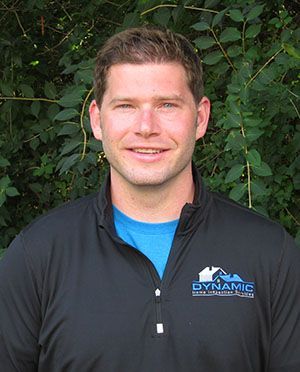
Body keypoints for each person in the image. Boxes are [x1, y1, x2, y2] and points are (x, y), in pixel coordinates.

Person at [0, 26, 299, 372]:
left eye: (167, 105)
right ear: (97, 120)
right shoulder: (37, 256)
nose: (146, 127)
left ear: (200, 118)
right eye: (126, 105)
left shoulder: (270, 254)